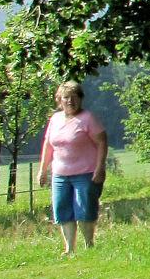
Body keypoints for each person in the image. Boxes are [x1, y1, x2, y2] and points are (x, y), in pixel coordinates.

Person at [39, 80, 108, 256]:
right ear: (59, 100)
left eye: (74, 97)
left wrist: (100, 168)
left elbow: (102, 142)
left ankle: (89, 245)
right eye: (66, 98)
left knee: (84, 210)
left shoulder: (87, 119)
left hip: (85, 173)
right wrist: (43, 169)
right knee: (62, 210)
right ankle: (69, 249)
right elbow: (48, 145)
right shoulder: (55, 119)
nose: (70, 101)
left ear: (80, 99)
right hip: (60, 174)